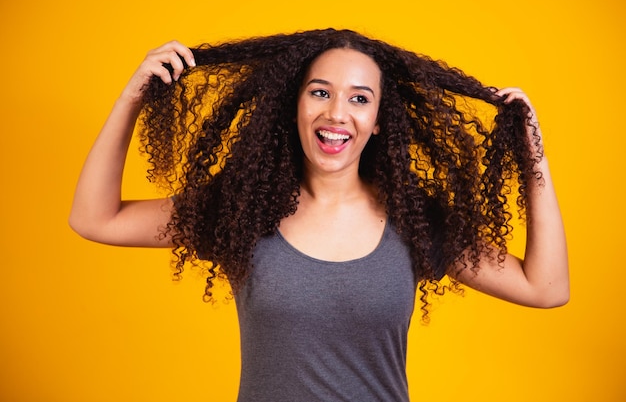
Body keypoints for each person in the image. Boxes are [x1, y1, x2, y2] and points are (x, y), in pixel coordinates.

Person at [69, 29, 569, 402]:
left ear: (377, 123)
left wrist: (533, 158)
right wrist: (133, 95)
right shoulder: (242, 209)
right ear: (294, 106)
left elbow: (546, 289)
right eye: (320, 92)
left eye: (359, 99)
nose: (336, 113)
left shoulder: (414, 221)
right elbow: (96, 219)